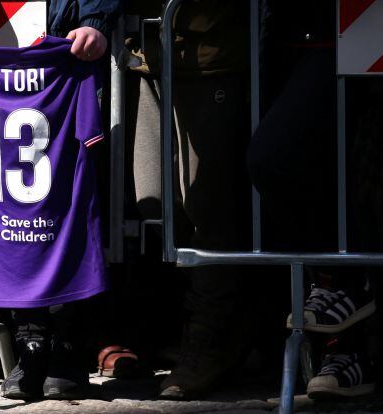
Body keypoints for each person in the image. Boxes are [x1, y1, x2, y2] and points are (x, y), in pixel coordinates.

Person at [0, 0, 119, 400]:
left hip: (67, 54)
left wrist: (94, 20)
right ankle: (30, 342)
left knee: (62, 206)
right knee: (13, 213)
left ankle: (67, 341)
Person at [123, 0, 255, 400]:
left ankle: (211, 337)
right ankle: (205, 327)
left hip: (212, 60)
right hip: (148, 56)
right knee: (154, 203)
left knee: (208, 208)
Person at [246, 0, 377, 399]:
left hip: (361, 34)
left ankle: (344, 294)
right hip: (283, 37)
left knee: (285, 161)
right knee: (310, 179)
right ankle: (339, 355)